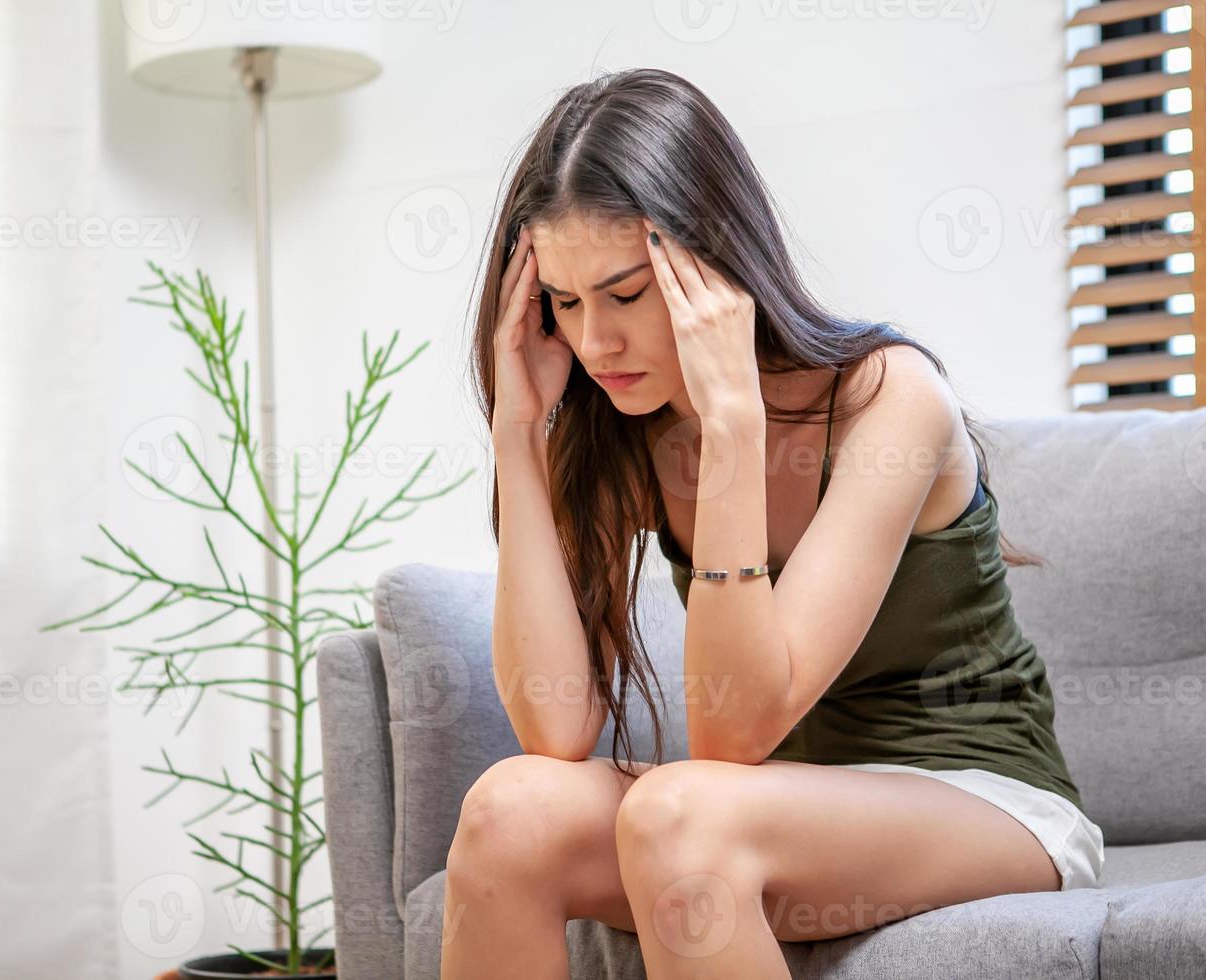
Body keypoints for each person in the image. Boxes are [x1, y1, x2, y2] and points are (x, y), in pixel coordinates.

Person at [443, 67, 1104, 979]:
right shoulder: (620, 427)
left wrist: (734, 428)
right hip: (768, 814)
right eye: (564, 301)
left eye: (627, 295)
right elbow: (555, 730)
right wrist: (519, 439)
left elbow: (730, 736)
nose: (595, 344)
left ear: (713, 265)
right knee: (507, 811)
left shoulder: (888, 399)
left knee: (681, 815)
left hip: (981, 801)